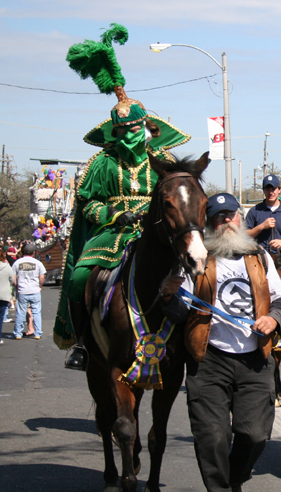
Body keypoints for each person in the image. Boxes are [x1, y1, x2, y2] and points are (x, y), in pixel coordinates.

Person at [55, 24, 191, 370]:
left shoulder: (164, 162)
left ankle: (193, 339)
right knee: (78, 278)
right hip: (113, 234)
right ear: (113, 133)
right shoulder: (102, 163)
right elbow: (89, 204)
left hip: (157, 232)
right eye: (122, 130)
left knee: (199, 274)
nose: (129, 135)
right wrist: (116, 216)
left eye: (134, 128)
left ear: (146, 128)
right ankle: (84, 344)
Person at [161, 192, 281, 491]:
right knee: (213, 438)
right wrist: (168, 295)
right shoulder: (195, 259)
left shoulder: (259, 256)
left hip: (255, 359)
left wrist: (272, 319)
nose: (226, 221)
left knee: (255, 435)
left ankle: (234, 478)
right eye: (218, 216)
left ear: (239, 217)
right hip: (209, 359)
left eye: (230, 214)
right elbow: (179, 311)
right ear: (208, 223)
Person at [11, 244, 46, 340]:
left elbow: (14, 277)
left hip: (22, 290)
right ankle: (38, 333)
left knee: (21, 312)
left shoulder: (17, 263)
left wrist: (17, 286)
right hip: (34, 290)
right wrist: (40, 286)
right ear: (34, 252)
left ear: (23, 252)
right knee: (36, 312)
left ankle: (18, 333)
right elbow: (42, 277)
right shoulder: (38, 263)